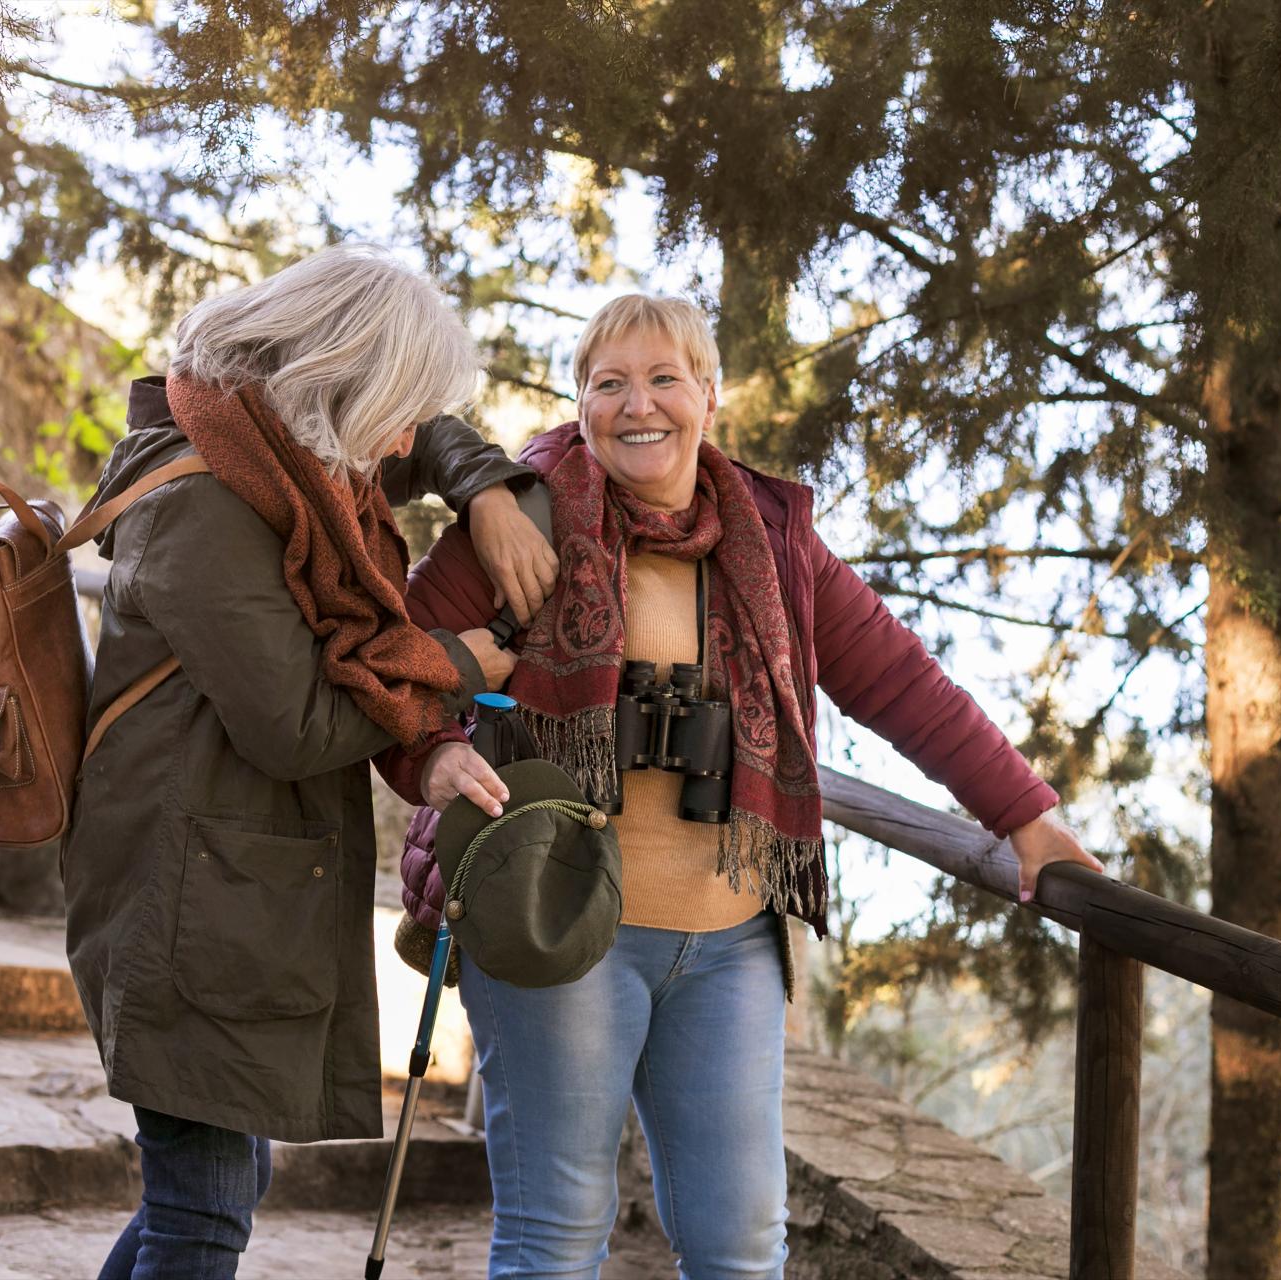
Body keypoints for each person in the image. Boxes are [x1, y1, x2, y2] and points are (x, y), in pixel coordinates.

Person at [382, 294, 1104, 1280]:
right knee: (555, 1238)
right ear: (580, 401)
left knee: (741, 1248)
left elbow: (897, 679)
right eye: (610, 382)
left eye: (665, 377)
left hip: (728, 948)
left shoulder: (774, 543)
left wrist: (1026, 814)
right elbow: (397, 668)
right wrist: (435, 740)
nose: (640, 404)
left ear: (710, 396)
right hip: (557, 929)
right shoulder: (522, 519)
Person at [64, 243, 556, 1280]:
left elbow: (422, 447)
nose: (405, 440)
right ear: (341, 384)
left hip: (234, 896)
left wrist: (488, 490)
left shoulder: (280, 459)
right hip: (186, 902)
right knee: (203, 1213)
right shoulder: (203, 500)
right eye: (399, 406)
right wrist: (455, 667)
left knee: (203, 1198)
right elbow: (294, 722)